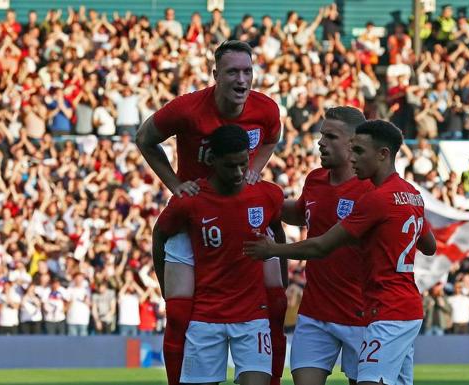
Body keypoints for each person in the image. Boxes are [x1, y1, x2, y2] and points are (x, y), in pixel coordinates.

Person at [136, 40, 286, 385]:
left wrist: (255, 169)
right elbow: (144, 138)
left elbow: (271, 139)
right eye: (233, 71)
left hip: (238, 208)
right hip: (193, 214)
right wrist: (175, 184)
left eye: (248, 71)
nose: (242, 79)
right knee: (177, 312)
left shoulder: (265, 110)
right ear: (215, 74)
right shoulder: (187, 110)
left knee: (276, 305)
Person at [245, 120, 437, 385]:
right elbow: (429, 246)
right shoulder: (411, 194)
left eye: (359, 151)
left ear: (382, 154)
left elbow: (321, 246)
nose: (353, 157)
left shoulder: (375, 198)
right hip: (390, 308)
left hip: (381, 310)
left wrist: (272, 249)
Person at [154, 125, 284, 385]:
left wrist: (281, 284)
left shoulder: (267, 194)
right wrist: (163, 286)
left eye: (243, 164)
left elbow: (277, 234)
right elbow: (160, 236)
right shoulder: (189, 200)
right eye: (230, 166)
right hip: (205, 319)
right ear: (212, 160)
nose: (238, 173)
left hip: (252, 318)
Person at [279, 106, 371, 385]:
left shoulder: (371, 189)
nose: (321, 142)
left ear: (354, 143)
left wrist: (271, 250)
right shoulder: (315, 180)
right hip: (315, 312)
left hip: (361, 314)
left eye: (331, 136)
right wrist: (259, 197)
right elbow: (300, 213)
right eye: (322, 135)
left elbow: (320, 246)